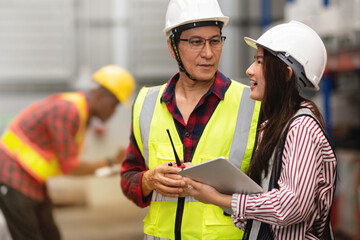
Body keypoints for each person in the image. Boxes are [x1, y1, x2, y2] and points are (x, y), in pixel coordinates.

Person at [120, 0, 261, 239]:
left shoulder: (252, 103)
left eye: (215, 41)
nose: (208, 53)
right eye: (196, 42)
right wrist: (148, 180)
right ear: (173, 47)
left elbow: (272, 193)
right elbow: (128, 178)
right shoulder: (146, 103)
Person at [183, 21, 337, 240]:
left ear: (285, 74)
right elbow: (265, 202)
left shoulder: (301, 128)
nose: (249, 70)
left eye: (259, 62)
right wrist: (208, 180)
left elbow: (291, 206)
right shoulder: (274, 126)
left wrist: (219, 199)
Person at [0, 65, 136, 240]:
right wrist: (110, 161)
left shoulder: (78, 111)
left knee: (50, 234)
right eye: (115, 104)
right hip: (12, 176)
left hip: (32, 180)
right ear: (102, 95)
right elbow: (69, 167)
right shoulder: (68, 111)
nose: (113, 112)